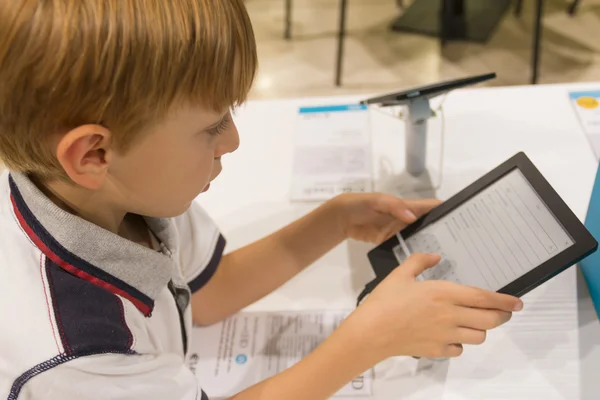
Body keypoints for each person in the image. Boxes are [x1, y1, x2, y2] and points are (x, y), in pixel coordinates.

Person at [0, 1, 523, 399]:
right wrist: (368, 341)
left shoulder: (118, 194)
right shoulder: (74, 356)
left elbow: (207, 293)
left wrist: (335, 220)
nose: (232, 142)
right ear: (93, 153)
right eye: (211, 127)